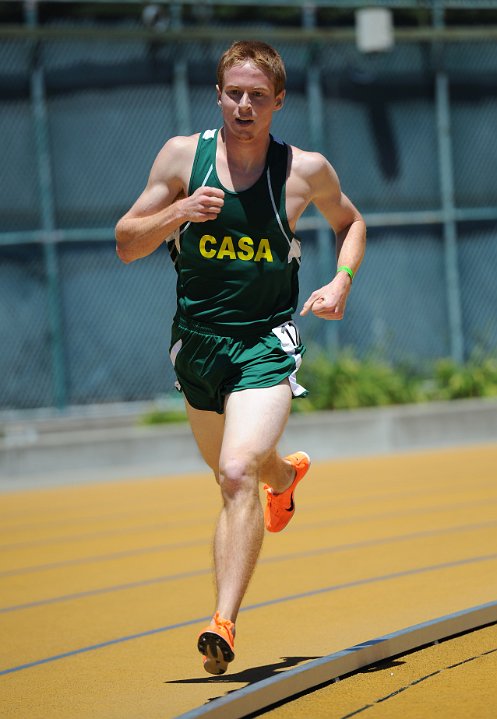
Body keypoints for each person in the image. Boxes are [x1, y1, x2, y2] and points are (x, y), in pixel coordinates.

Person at [115, 40, 366, 675]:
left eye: (259, 95)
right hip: (197, 344)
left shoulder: (304, 170)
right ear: (218, 94)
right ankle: (283, 477)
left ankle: (222, 622)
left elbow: (351, 221)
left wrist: (340, 280)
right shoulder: (182, 157)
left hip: (265, 341)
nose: (245, 105)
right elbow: (124, 242)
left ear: (279, 101)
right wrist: (178, 210)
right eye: (235, 93)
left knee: (233, 473)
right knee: (242, 471)